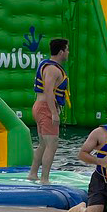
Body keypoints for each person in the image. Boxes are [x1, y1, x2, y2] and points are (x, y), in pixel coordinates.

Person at [28, 39, 70, 184]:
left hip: (39, 106)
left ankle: (33, 174)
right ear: (61, 52)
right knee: (52, 144)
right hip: (46, 107)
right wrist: (53, 112)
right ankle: (44, 179)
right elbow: (48, 90)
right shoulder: (52, 69)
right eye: (67, 50)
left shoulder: (49, 66)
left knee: (43, 144)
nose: (68, 53)